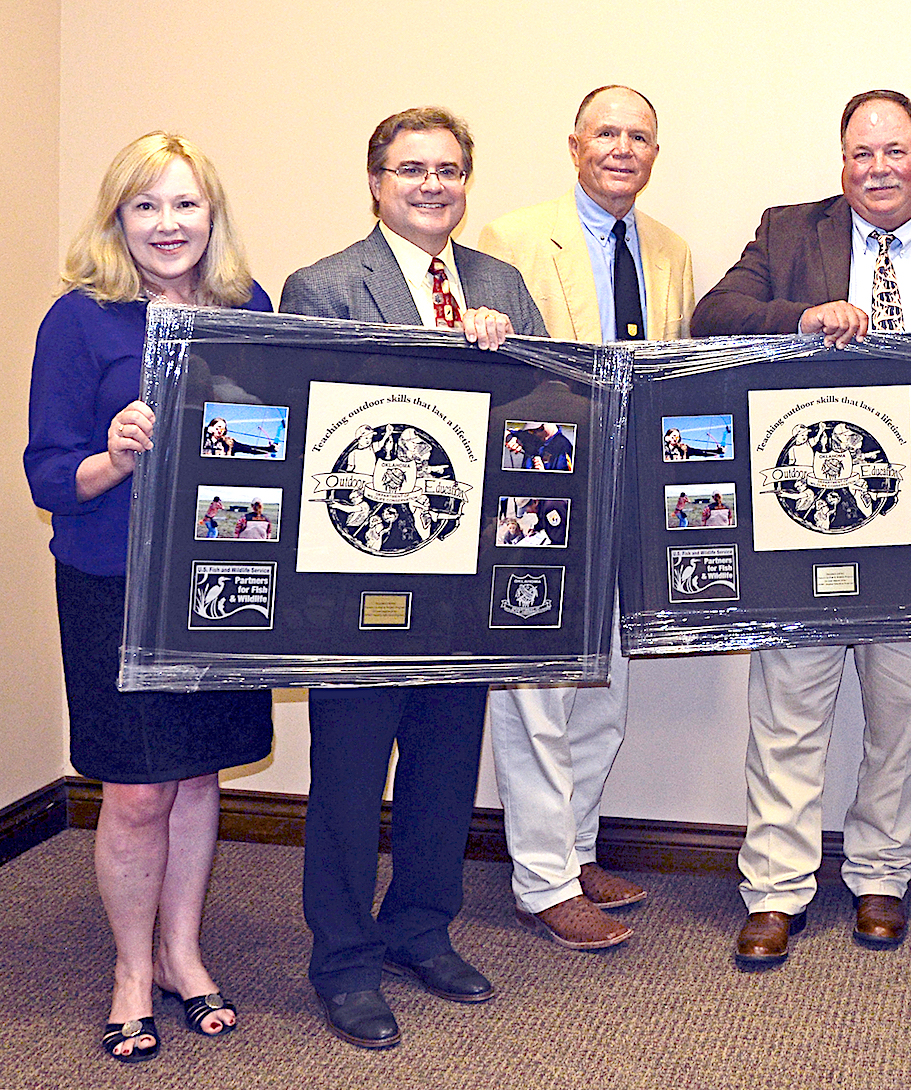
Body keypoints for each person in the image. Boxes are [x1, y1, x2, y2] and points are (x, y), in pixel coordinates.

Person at [691, 88, 911, 968]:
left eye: (894, 151)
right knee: (789, 714)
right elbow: (712, 320)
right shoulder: (785, 232)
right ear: (841, 162)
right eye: (860, 154)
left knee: (902, 716)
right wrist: (803, 319)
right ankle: (774, 890)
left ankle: (882, 876)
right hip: (805, 516)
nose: (877, 168)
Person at [280, 106, 547, 1050]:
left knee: (443, 769)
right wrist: (436, 355)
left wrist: (505, 352)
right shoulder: (320, 284)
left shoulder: (500, 281)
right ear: (376, 182)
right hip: (360, 579)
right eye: (411, 170)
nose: (432, 185)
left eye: (448, 170)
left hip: (466, 575)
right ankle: (344, 961)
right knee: (349, 783)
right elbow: (316, 420)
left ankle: (420, 929)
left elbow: (544, 413)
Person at [24, 132, 274, 1063]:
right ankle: (131, 969)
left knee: (198, 773)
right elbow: (50, 474)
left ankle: (183, 951)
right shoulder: (78, 320)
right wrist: (114, 455)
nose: (168, 226)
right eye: (146, 207)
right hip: (113, 582)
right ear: (117, 218)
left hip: (220, 576)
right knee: (134, 791)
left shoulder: (249, 305)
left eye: (185, 206)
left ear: (213, 216)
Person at [476, 85, 695, 951]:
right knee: (533, 693)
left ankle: (575, 849)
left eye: (640, 136)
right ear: (574, 146)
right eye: (607, 133)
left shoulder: (671, 249)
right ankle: (540, 881)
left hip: (630, 497)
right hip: (540, 495)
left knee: (604, 684)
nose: (622, 148)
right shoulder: (512, 237)